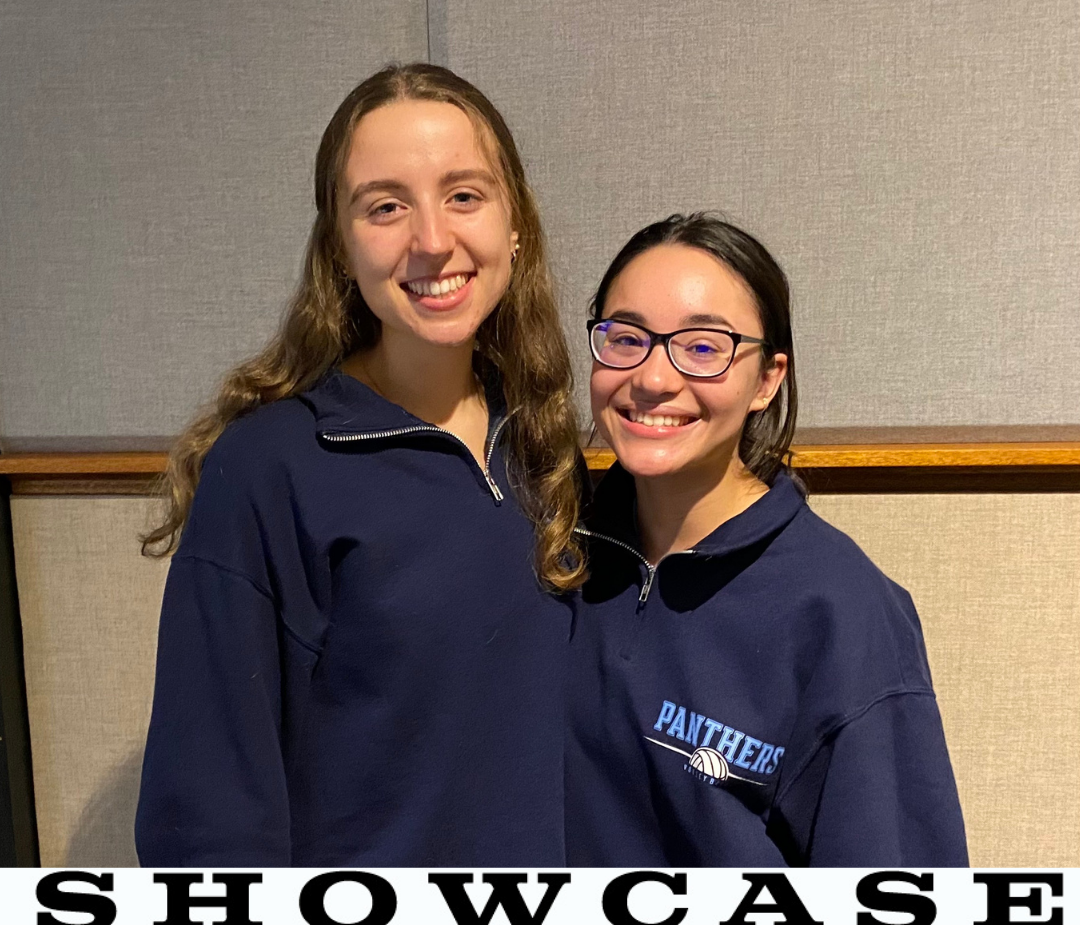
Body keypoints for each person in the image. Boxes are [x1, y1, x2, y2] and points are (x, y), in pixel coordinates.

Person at [135, 64, 586, 867]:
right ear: (340, 248)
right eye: (385, 207)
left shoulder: (544, 443)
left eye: (465, 195)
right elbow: (205, 809)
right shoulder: (271, 468)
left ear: (515, 224)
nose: (433, 240)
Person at [566, 213, 967, 866]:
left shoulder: (842, 611)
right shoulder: (554, 555)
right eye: (625, 337)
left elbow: (900, 916)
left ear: (767, 379)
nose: (653, 378)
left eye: (702, 347)